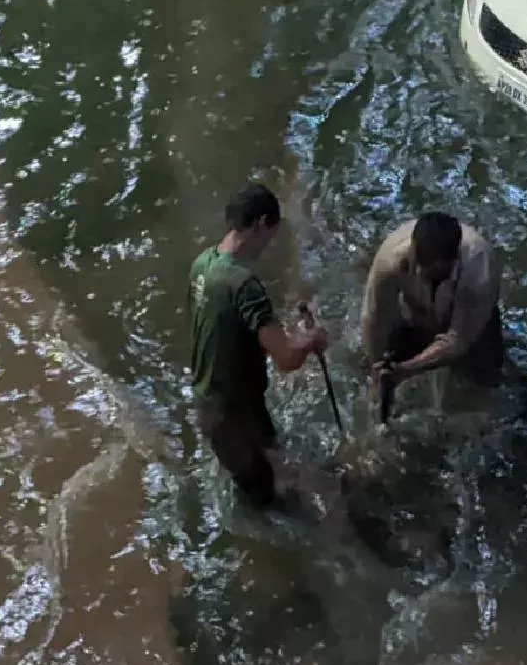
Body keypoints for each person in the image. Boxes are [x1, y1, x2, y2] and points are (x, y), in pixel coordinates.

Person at [188, 183, 329, 512]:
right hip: (233, 416)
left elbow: (225, 331)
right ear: (261, 224)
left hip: (215, 403)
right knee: (268, 503)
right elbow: (287, 360)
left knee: (276, 470)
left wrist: (286, 336)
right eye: (272, 233)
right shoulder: (245, 285)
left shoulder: (202, 265)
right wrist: (311, 339)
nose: (269, 244)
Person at [360, 211, 505, 391]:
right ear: (412, 249)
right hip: (417, 312)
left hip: (473, 321)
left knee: (487, 380)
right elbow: (376, 320)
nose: (425, 276)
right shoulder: (390, 261)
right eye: (423, 269)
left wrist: (407, 369)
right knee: (371, 367)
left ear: (454, 260)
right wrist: (378, 370)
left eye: (438, 274)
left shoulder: (478, 268)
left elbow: (458, 340)